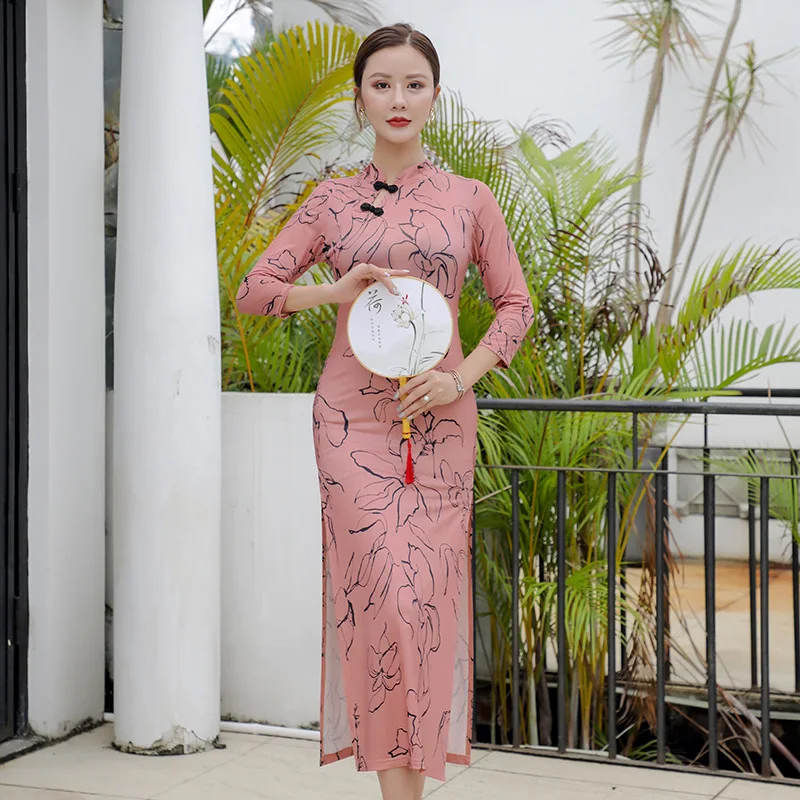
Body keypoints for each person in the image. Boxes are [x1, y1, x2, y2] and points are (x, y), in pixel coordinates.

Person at [236, 21, 533, 800]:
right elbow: (255, 290)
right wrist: (333, 291)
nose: (398, 99)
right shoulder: (331, 199)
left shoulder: (472, 201)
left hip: (440, 421)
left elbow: (514, 307)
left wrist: (459, 378)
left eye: (413, 84)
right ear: (359, 96)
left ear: (435, 96)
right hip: (350, 424)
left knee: (423, 603)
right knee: (382, 602)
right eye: (381, 84)